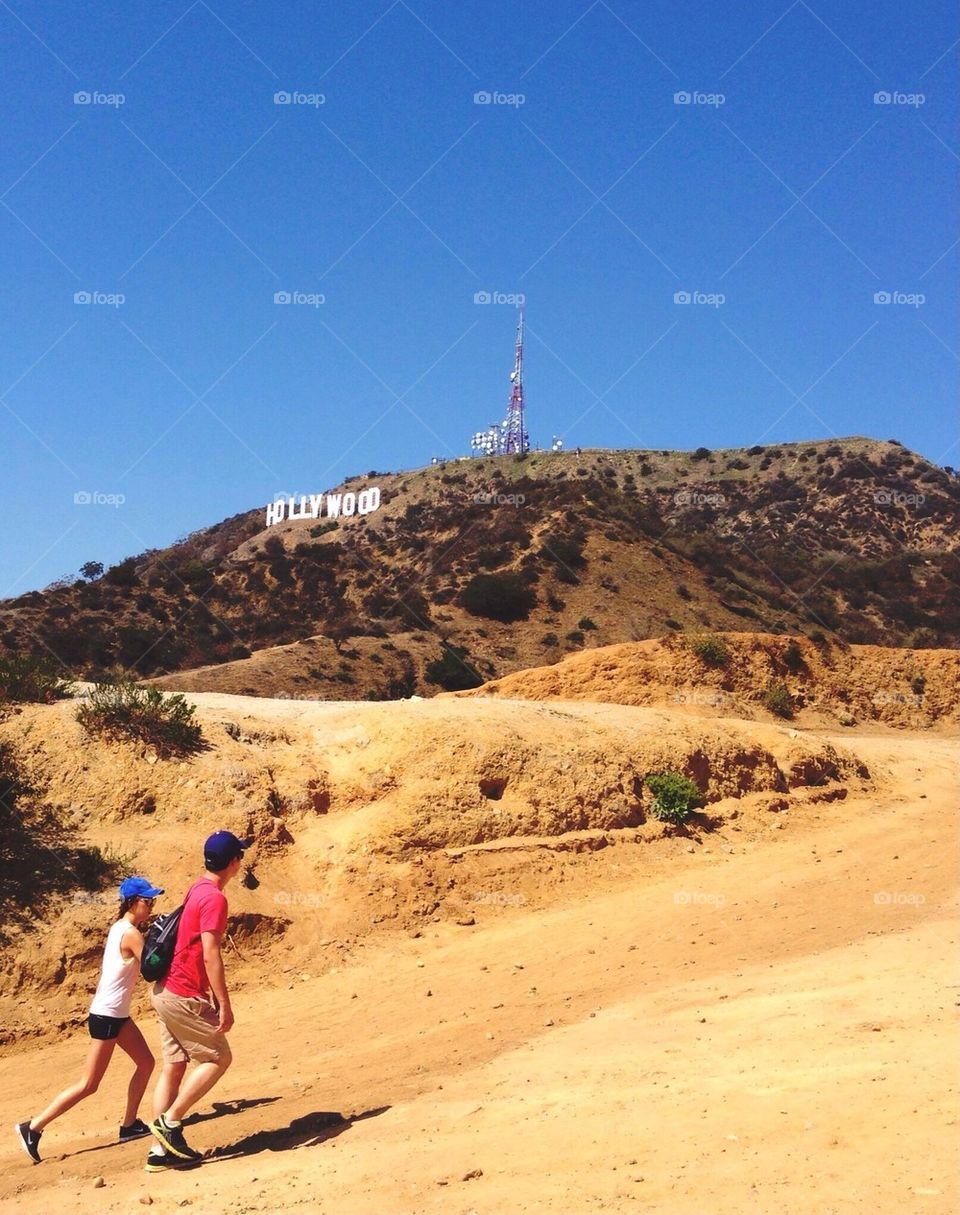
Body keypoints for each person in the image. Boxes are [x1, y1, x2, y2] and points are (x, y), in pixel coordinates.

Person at [14, 876, 164, 1164]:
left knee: (146, 1063)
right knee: (89, 1084)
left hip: (116, 1015)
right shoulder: (130, 933)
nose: (152, 906)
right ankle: (32, 1128)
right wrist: (165, 938)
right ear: (133, 903)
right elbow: (152, 967)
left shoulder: (121, 927)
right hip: (107, 1016)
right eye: (148, 901)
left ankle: (129, 1125)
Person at [146, 830, 250, 1172]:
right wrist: (224, 1002)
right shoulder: (215, 899)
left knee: (174, 1068)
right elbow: (211, 953)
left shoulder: (197, 887)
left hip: (163, 991)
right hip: (183, 993)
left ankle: (159, 1152)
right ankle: (170, 1123)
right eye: (241, 857)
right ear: (233, 862)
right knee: (219, 1057)